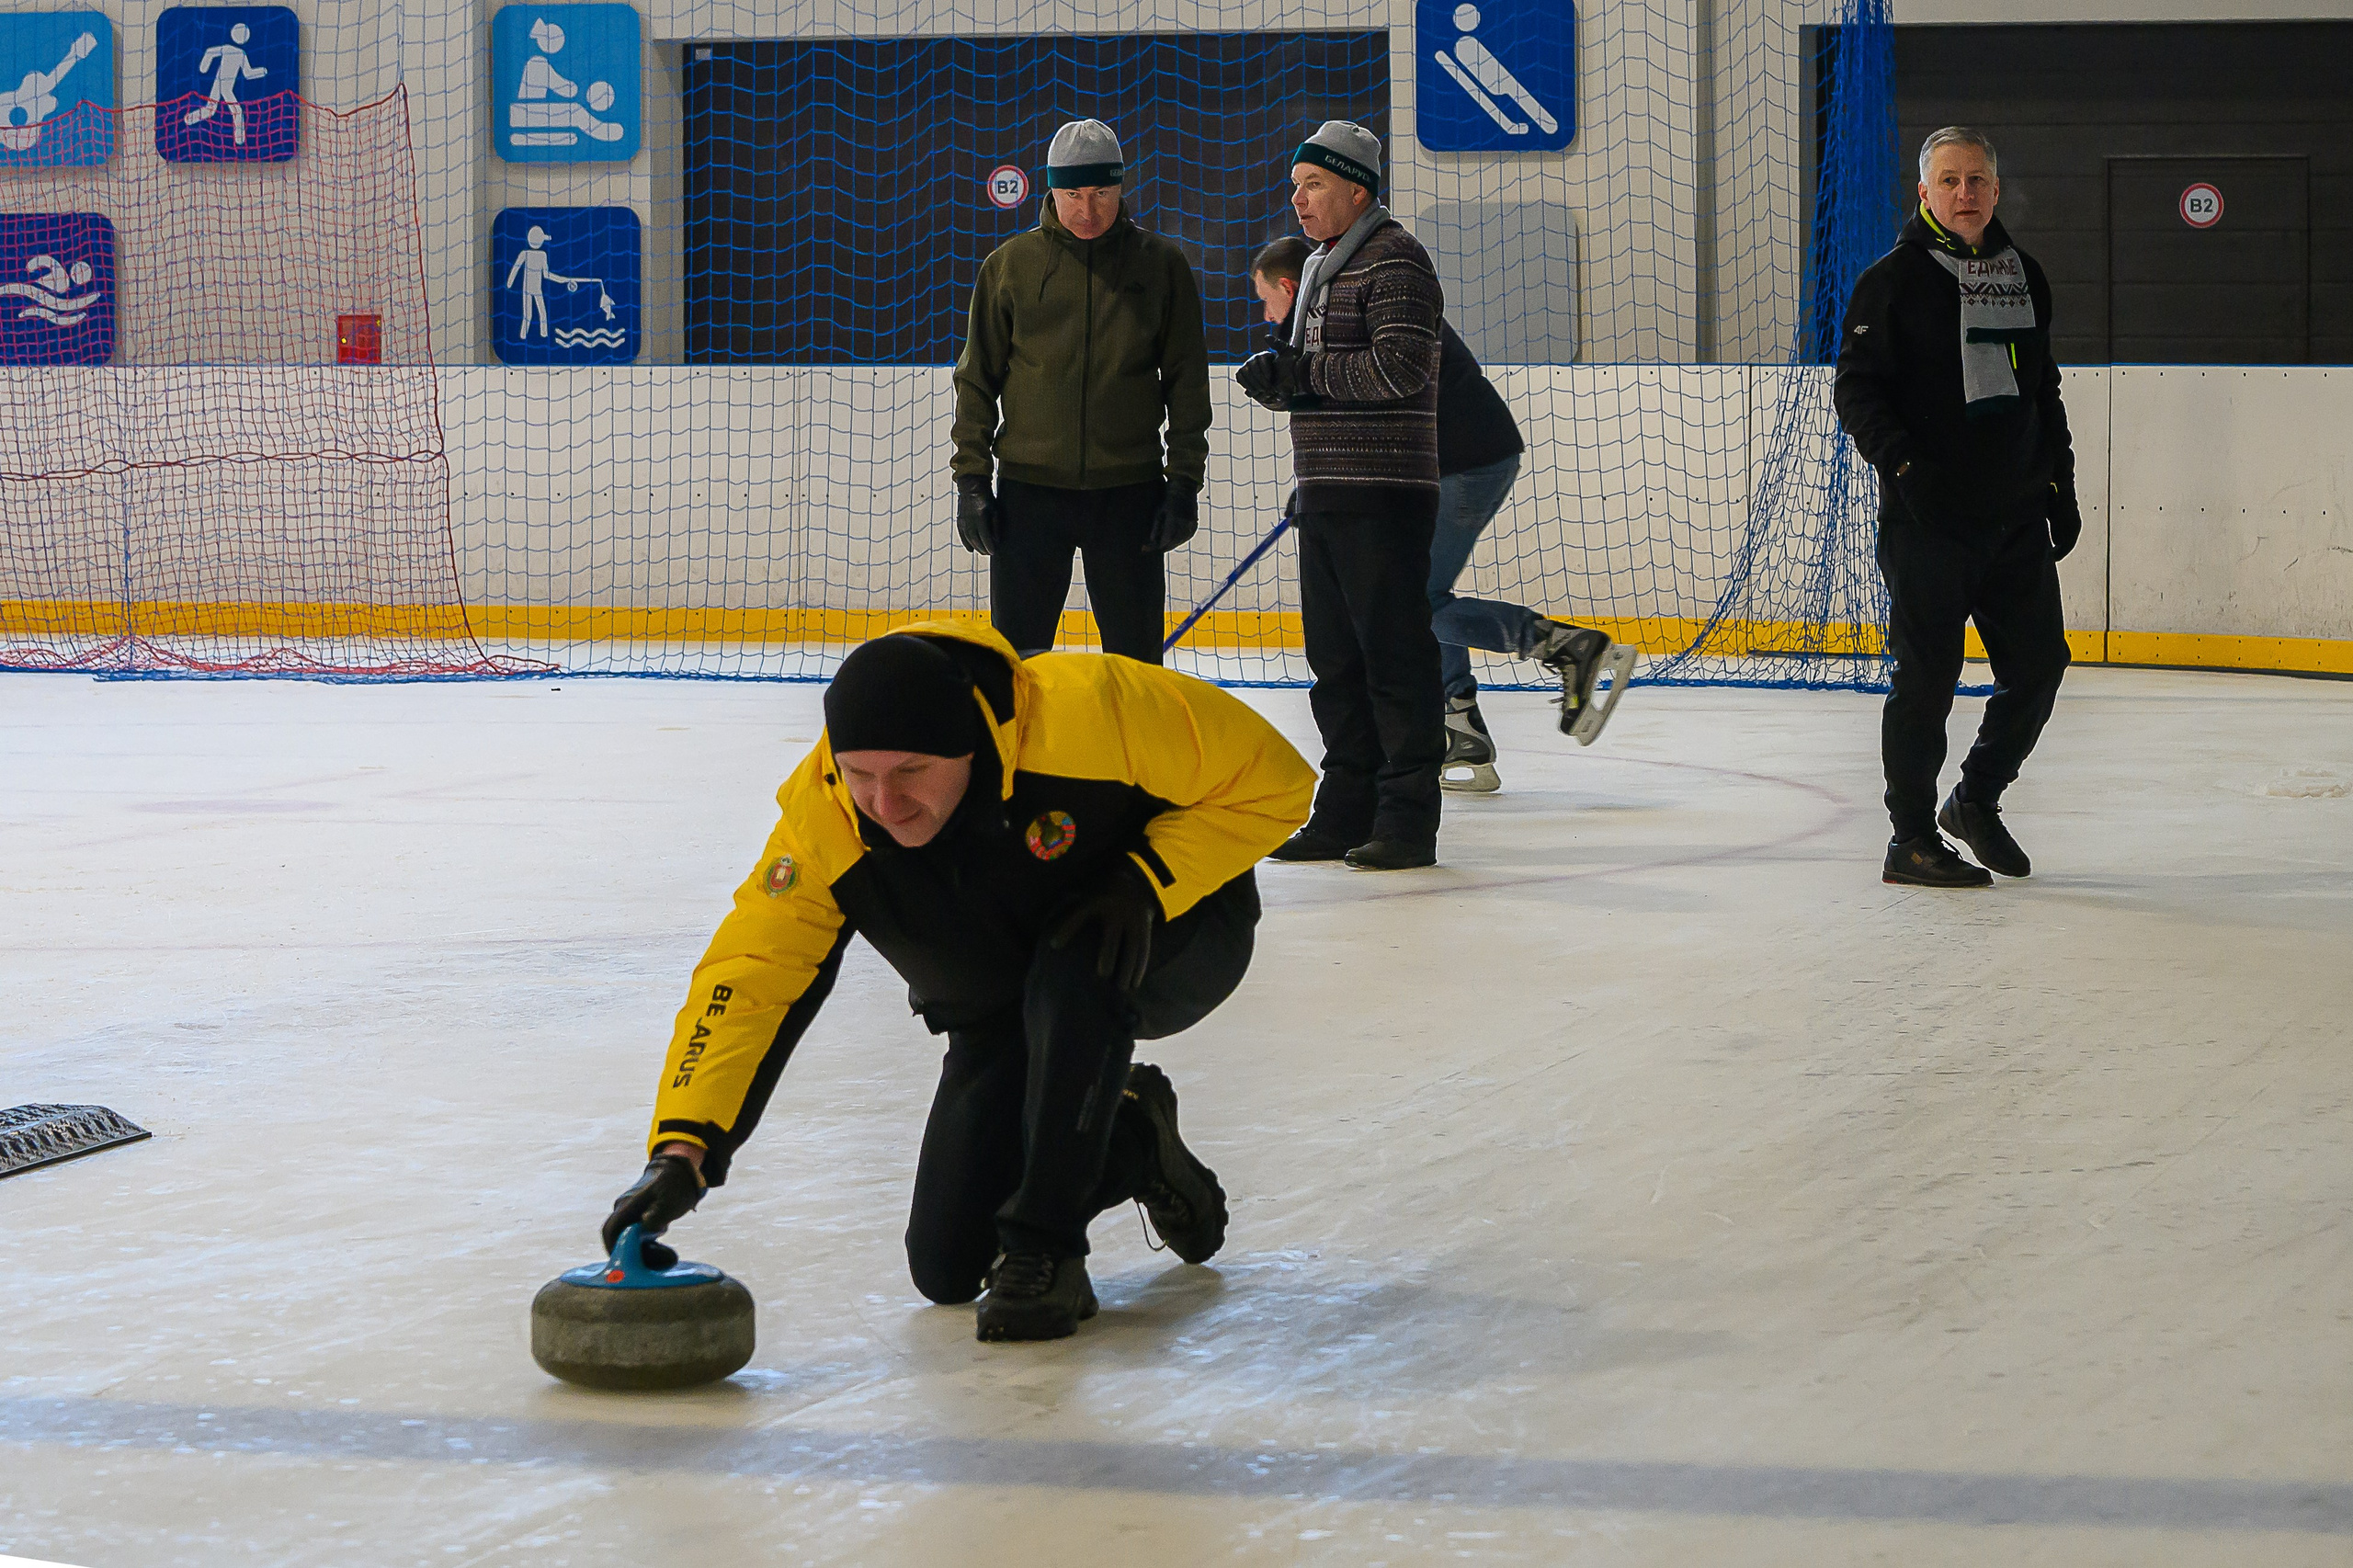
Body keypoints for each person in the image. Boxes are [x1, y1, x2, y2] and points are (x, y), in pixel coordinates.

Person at [600, 622, 1315, 1343]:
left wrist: (1147, 878)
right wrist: (682, 1151)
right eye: (859, 774)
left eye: (912, 771)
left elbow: (1277, 781)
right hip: (1001, 998)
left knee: (1074, 962)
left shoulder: (1095, 711)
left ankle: (1047, 1245)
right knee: (947, 1266)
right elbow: (751, 975)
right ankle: (1135, 1135)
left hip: (1167, 938)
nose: (885, 803)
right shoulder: (824, 821)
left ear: (972, 744)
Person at [1249, 238, 1636, 793]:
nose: (1265, 314)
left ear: (1288, 288)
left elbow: (1379, 390)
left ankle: (1565, 646)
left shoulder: (1348, 307)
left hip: (1463, 461)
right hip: (1456, 460)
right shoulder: (1325, 317)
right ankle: (1459, 726)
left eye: (1265, 299)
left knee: (1412, 600)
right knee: (1418, 593)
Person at [1834, 126, 2078, 887]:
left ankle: (1975, 800)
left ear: (1996, 190)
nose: (1965, 193)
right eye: (1949, 181)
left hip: (2013, 519)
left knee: (2039, 668)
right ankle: (1909, 839)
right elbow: (1856, 387)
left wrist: (2061, 483)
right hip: (1928, 522)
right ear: (1925, 192)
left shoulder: (2025, 276)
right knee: (1927, 682)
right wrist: (1904, 466)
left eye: (1977, 180)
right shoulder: (1894, 280)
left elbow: (2042, 389)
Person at [1235, 121, 1445, 869]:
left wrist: (1304, 377)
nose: (1297, 198)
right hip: (1326, 490)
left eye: (1313, 184)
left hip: (1384, 493)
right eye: (1295, 185)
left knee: (1392, 661)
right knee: (1336, 664)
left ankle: (1407, 820)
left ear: (1358, 189)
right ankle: (1347, 809)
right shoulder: (1324, 266)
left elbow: (1400, 370)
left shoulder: (1397, 263)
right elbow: (1319, 379)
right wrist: (1278, 382)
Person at [950, 119, 1211, 664]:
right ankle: (1022, 754)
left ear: (1122, 188)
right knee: (1019, 665)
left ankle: (1133, 752)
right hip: (1028, 497)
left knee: (1136, 663)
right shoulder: (1009, 267)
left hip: (1130, 496)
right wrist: (972, 482)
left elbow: (1187, 382)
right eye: (1073, 194)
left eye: (1101, 193)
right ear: (1051, 190)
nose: (1087, 210)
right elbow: (976, 380)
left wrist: (1184, 483)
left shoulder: (1161, 267)